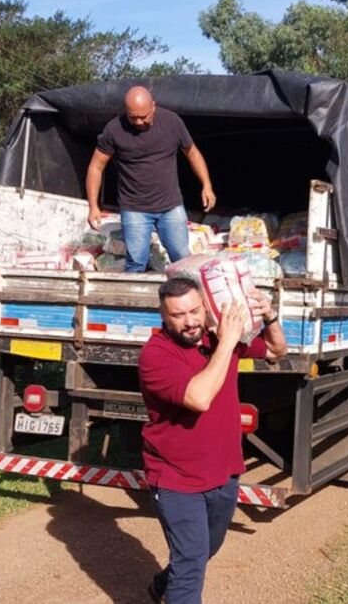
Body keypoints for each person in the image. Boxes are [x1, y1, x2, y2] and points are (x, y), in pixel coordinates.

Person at [138, 277, 287, 603]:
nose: (189, 321)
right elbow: (199, 397)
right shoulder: (156, 354)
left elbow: (277, 349)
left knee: (206, 548)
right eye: (178, 315)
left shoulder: (217, 338)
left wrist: (270, 317)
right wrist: (227, 344)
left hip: (224, 471)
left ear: (206, 307)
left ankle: (161, 586)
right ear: (163, 316)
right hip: (176, 477)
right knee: (191, 561)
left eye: (194, 311)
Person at [85, 85, 217, 272]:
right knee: (136, 262)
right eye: (133, 117)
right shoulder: (114, 130)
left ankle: (186, 299)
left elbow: (192, 153)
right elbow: (96, 167)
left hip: (170, 206)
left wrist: (207, 185)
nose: (138, 122)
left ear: (153, 106)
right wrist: (93, 206)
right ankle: (134, 298)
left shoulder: (172, 122)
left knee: (182, 258)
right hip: (134, 209)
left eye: (143, 117)